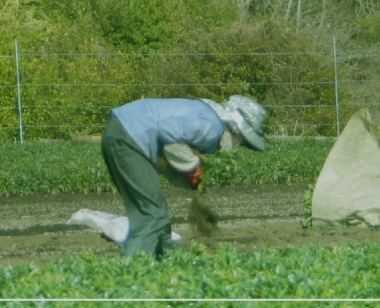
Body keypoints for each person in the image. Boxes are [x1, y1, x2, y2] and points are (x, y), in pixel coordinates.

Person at [100, 94, 268, 259]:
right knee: (153, 216)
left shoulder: (207, 119)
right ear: (236, 126)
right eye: (242, 140)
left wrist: (191, 181)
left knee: (154, 214)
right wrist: (193, 169)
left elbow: (172, 155)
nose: (239, 144)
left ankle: (159, 262)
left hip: (121, 132)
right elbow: (171, 136)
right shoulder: (212, 125)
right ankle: (133, 270)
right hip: (130, 135)